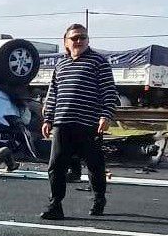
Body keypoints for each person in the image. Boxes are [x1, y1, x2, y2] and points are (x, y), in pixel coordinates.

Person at [40, 23, 118, 220]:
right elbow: (53, 93)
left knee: (94, 165)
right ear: (66, 42)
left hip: (88, 123)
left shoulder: (98, 62)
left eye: (82, 37)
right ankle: (55, 205)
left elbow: (109, 91)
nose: (79, 41)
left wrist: (106, 115)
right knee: (56, 165)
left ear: (88, 40)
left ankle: (99, 199)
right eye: (74, 38)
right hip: (62, 123)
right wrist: (48, 118)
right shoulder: (61, 65)